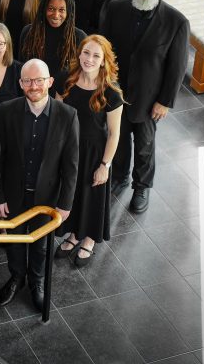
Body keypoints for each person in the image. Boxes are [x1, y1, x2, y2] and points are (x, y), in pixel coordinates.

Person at [99, 0, 189, 213]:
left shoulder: (176, 21)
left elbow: (177, 67)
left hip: (150, 99)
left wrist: (165, 101)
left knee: (144, 144)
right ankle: (119, 177)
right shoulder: (116, 9)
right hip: (117, 92)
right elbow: (104, 50)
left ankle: (142, 186)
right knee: (117, 138)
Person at [0, 59, 79, 311]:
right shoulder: (7, 110)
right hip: (13, 195)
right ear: (20, 84)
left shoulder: (67, 115)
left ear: (50, 82)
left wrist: (65, 205)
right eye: (28, 81)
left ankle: (36, 281)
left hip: (47, 198)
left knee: (41, 245)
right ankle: (17, 277)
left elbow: (71, 165)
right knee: (15, 241)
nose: (34, 86)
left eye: (39, 80)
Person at [55, 35, 123, 267]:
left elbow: (114, 134)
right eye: (86, 53)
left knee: (92, 196)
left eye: (96, 55)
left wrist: (105, 165)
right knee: (72, 194)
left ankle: (90, 239)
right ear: (79, 53)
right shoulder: (65, 79)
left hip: (95, 153)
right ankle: (74, 235)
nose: (89, 59)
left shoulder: (112, 93)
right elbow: (57, 117)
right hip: (70, 148)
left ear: (104, 60)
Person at [19, 0, 86, 94]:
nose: (56, 15)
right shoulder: (28, 32)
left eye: (61, 10)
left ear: (69, 11)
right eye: (51, 9)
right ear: (43, 8)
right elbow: (21, 69)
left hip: (65, 97)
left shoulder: (78, 37)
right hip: (33, 94)